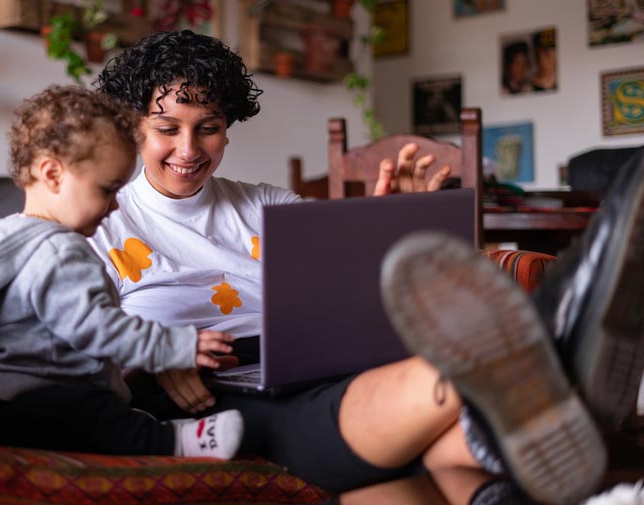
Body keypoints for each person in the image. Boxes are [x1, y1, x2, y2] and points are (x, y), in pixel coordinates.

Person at [90, 30, 644, 503]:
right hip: (210, 394)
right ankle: (542, 363)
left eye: (207, 127)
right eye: (167, 128)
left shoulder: (265, 206)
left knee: (381, 470)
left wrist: (394, 224)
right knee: (384, 434)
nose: (189, 147)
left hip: (318, 369)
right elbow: (66, 327)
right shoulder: (102, 221)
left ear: (228, 127)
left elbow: (359, 285)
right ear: (133, 126)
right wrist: (154, 352)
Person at [0, 85, 245, 460]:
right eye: (106, 191)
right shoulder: (61, 250)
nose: (113, 207)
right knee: (98, 414)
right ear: (53, 175)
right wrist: (178, 346)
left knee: (108, 408)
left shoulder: (1, 236)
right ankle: (172, 441)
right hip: (44, 406)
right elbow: (97, 329)